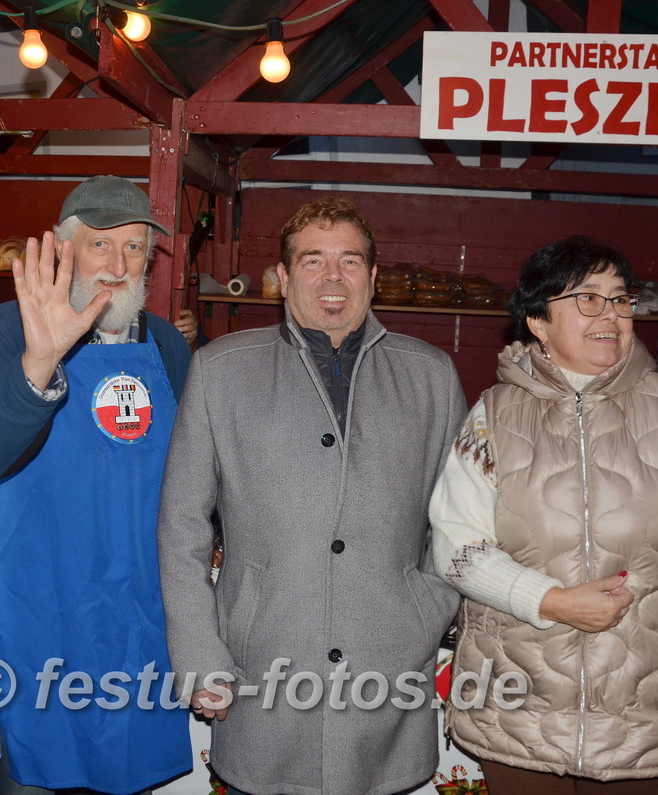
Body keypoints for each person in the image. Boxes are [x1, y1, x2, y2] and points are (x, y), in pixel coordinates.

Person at [157, 197, 467, 795]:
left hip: (389, 670)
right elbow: (182, 524)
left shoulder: (430, 375)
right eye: (313, 261)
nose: (333, 278)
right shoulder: (221, 371)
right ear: (282, 276)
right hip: (263, 666)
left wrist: (423, 612)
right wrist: (199, 656)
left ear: (373, 277)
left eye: (350, 261)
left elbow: (459, 522)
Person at [429, 235, 658, 794]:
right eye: (587, 298)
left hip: (644, 707)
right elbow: (457, 547)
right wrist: (550, 601)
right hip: (517, 702)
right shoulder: (493, 417)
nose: (610, 314)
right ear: (538, 321)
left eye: (620, 298)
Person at [0, 176, 192, 794]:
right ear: (64, 250)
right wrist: (40, 361)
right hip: (44, 608)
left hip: (138, 610)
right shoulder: (12, 330)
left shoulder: (165, 344)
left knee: (128, 770)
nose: (118, 265)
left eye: (134, 248)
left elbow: (193, 477)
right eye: (100, 244)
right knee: (36, 770)